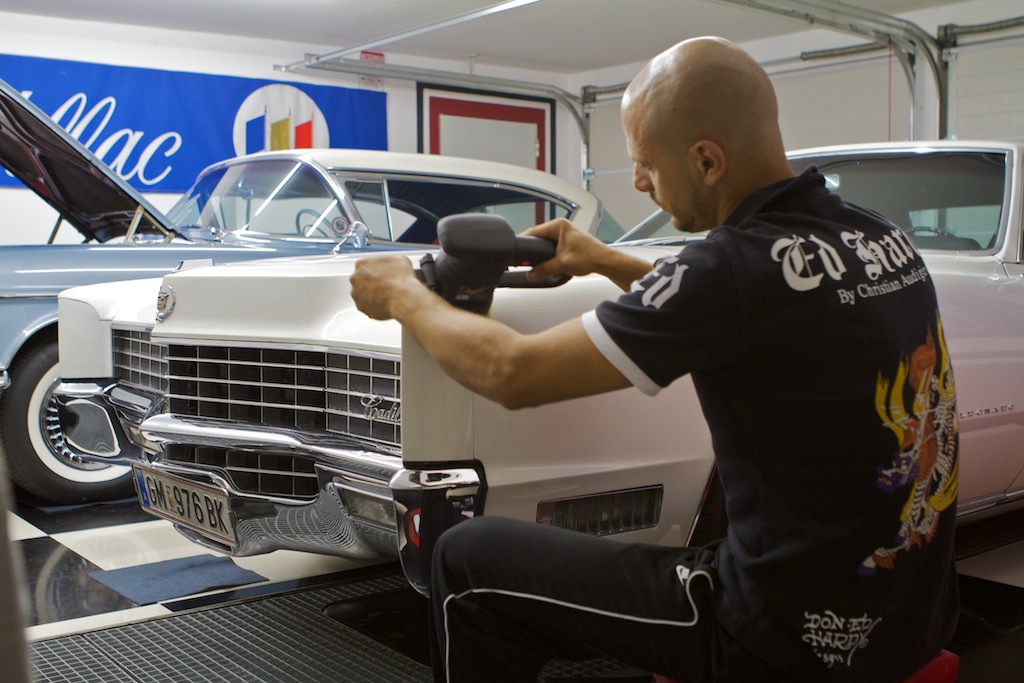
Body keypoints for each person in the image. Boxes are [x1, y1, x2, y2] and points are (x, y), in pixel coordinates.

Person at [350, 36, 959, 683]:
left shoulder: (726, 271)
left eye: (646, 164)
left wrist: (404, 296)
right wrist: (604, 258)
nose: (639, 182)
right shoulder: (879, 237)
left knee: (467, 555)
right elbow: (743, 306)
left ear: (706, 160)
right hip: (905, 617)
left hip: (777, 637)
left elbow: (512, 372)